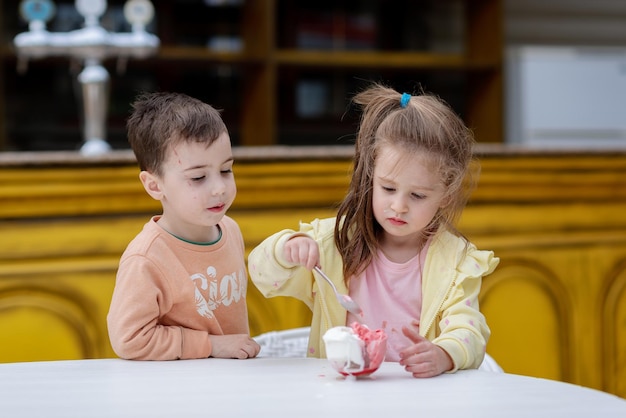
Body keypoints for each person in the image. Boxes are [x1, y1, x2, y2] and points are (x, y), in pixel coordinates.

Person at [248, 83, 499, 378]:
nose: (399, 206)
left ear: (446, 193)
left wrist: (445, 353)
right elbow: (264, 277)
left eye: (417, 196)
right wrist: (285, 249)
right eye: (388, 188)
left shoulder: (455, 262)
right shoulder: (335, 243)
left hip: (419, 399)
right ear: (371, 176)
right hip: (340, 396)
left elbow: (470, 329)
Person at [107, 92, 260, 361]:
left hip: (232, 385)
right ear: (154, 185)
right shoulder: (146, 258)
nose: (219, 188)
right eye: (198, 177)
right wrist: (212, 345)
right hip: (178, 394)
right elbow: (129, 339)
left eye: (226, 170)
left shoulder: (230, 229)